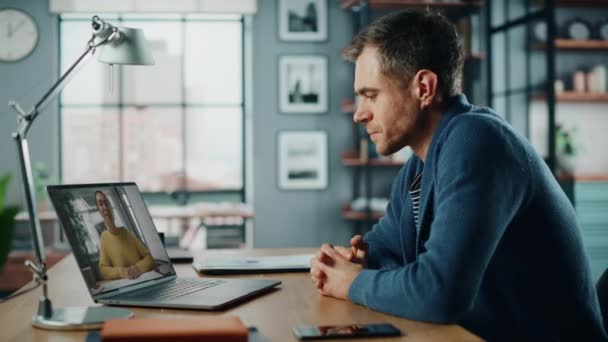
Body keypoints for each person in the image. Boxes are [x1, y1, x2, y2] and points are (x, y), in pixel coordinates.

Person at [309, 9, 607, 341]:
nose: (359, 114)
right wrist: (356, 262)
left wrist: (350, 282)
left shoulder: (478, 141)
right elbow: (384, 247)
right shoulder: (418, 167)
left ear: (423, 87)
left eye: (371, 95)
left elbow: (438, 293)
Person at [95, 191, 155, 280]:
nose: (105, 207)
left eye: (106, 203)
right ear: (99, 211)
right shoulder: (104, 238)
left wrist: (138, 268)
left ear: (111, 207)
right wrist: (122, 272)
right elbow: (103, 270)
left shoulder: (126, 232)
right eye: (100, 204)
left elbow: (149, 258)